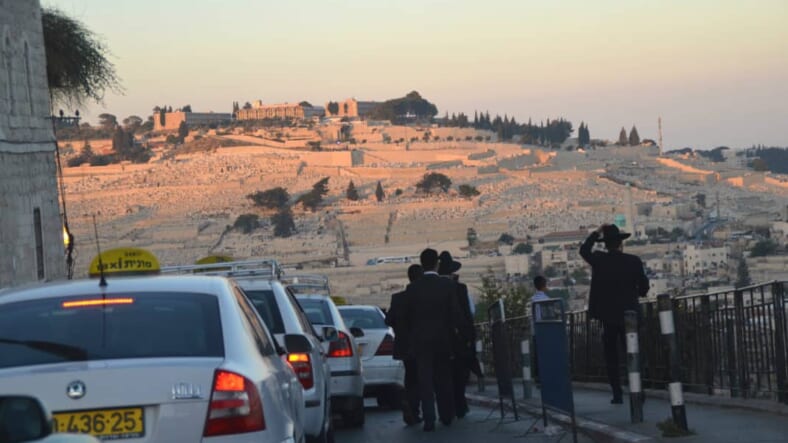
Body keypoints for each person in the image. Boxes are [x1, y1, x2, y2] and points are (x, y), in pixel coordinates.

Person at [580, 224, 649, 404]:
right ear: (620, 243)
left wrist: (596, 232)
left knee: (611, 357)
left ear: (605, 244)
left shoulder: (599, 260)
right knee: (633, 353)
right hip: (630, 317)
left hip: (608, 316)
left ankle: (617, 393)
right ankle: (638, 390)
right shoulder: (633, 261)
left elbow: (584, 250)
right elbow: (644, 288)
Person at [405, 248, 463, 431]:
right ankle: (446, 415)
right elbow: (455, 313)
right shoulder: (447, 286)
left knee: (425, 381)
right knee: (443, 378)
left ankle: (429, 419)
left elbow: (408, 318)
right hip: (443, 339)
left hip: (421, 342)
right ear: (437, 264)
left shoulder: (413, 288)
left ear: (422, 264)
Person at [437, 250, 476, 419]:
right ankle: (460, 405)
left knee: (443, 374)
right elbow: (470, 312)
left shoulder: (434, 289)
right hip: (459, 338)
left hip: (440, 338)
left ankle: (447, 408)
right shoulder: (461, 288)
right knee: (460, 374)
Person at [385, 264, 424, 426]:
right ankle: (418, 409)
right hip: (425, 345)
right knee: (423, 378)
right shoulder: (424, 298)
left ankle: (412, 408)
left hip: (406, 346)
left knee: (411, 378)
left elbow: (388, 320)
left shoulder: (398, 298)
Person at [530, 275, 550, 383]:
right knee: (545, 354)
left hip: (535, 331)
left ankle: (537, 377)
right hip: (544, 331)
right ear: (544, 286)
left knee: (537, 354)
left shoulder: (532, 299)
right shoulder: (546, 299)